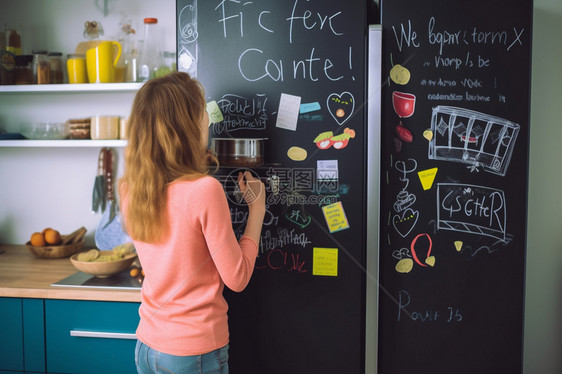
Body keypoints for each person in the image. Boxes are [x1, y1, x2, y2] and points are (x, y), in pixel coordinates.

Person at [119, 71, 266, 374]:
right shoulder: (204, 190)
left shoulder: (130, 188)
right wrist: (257, 210)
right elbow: (237, 278)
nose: (208, 121)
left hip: (147, 346)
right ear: (185, 126)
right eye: (201, 112)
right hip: (193, 353)